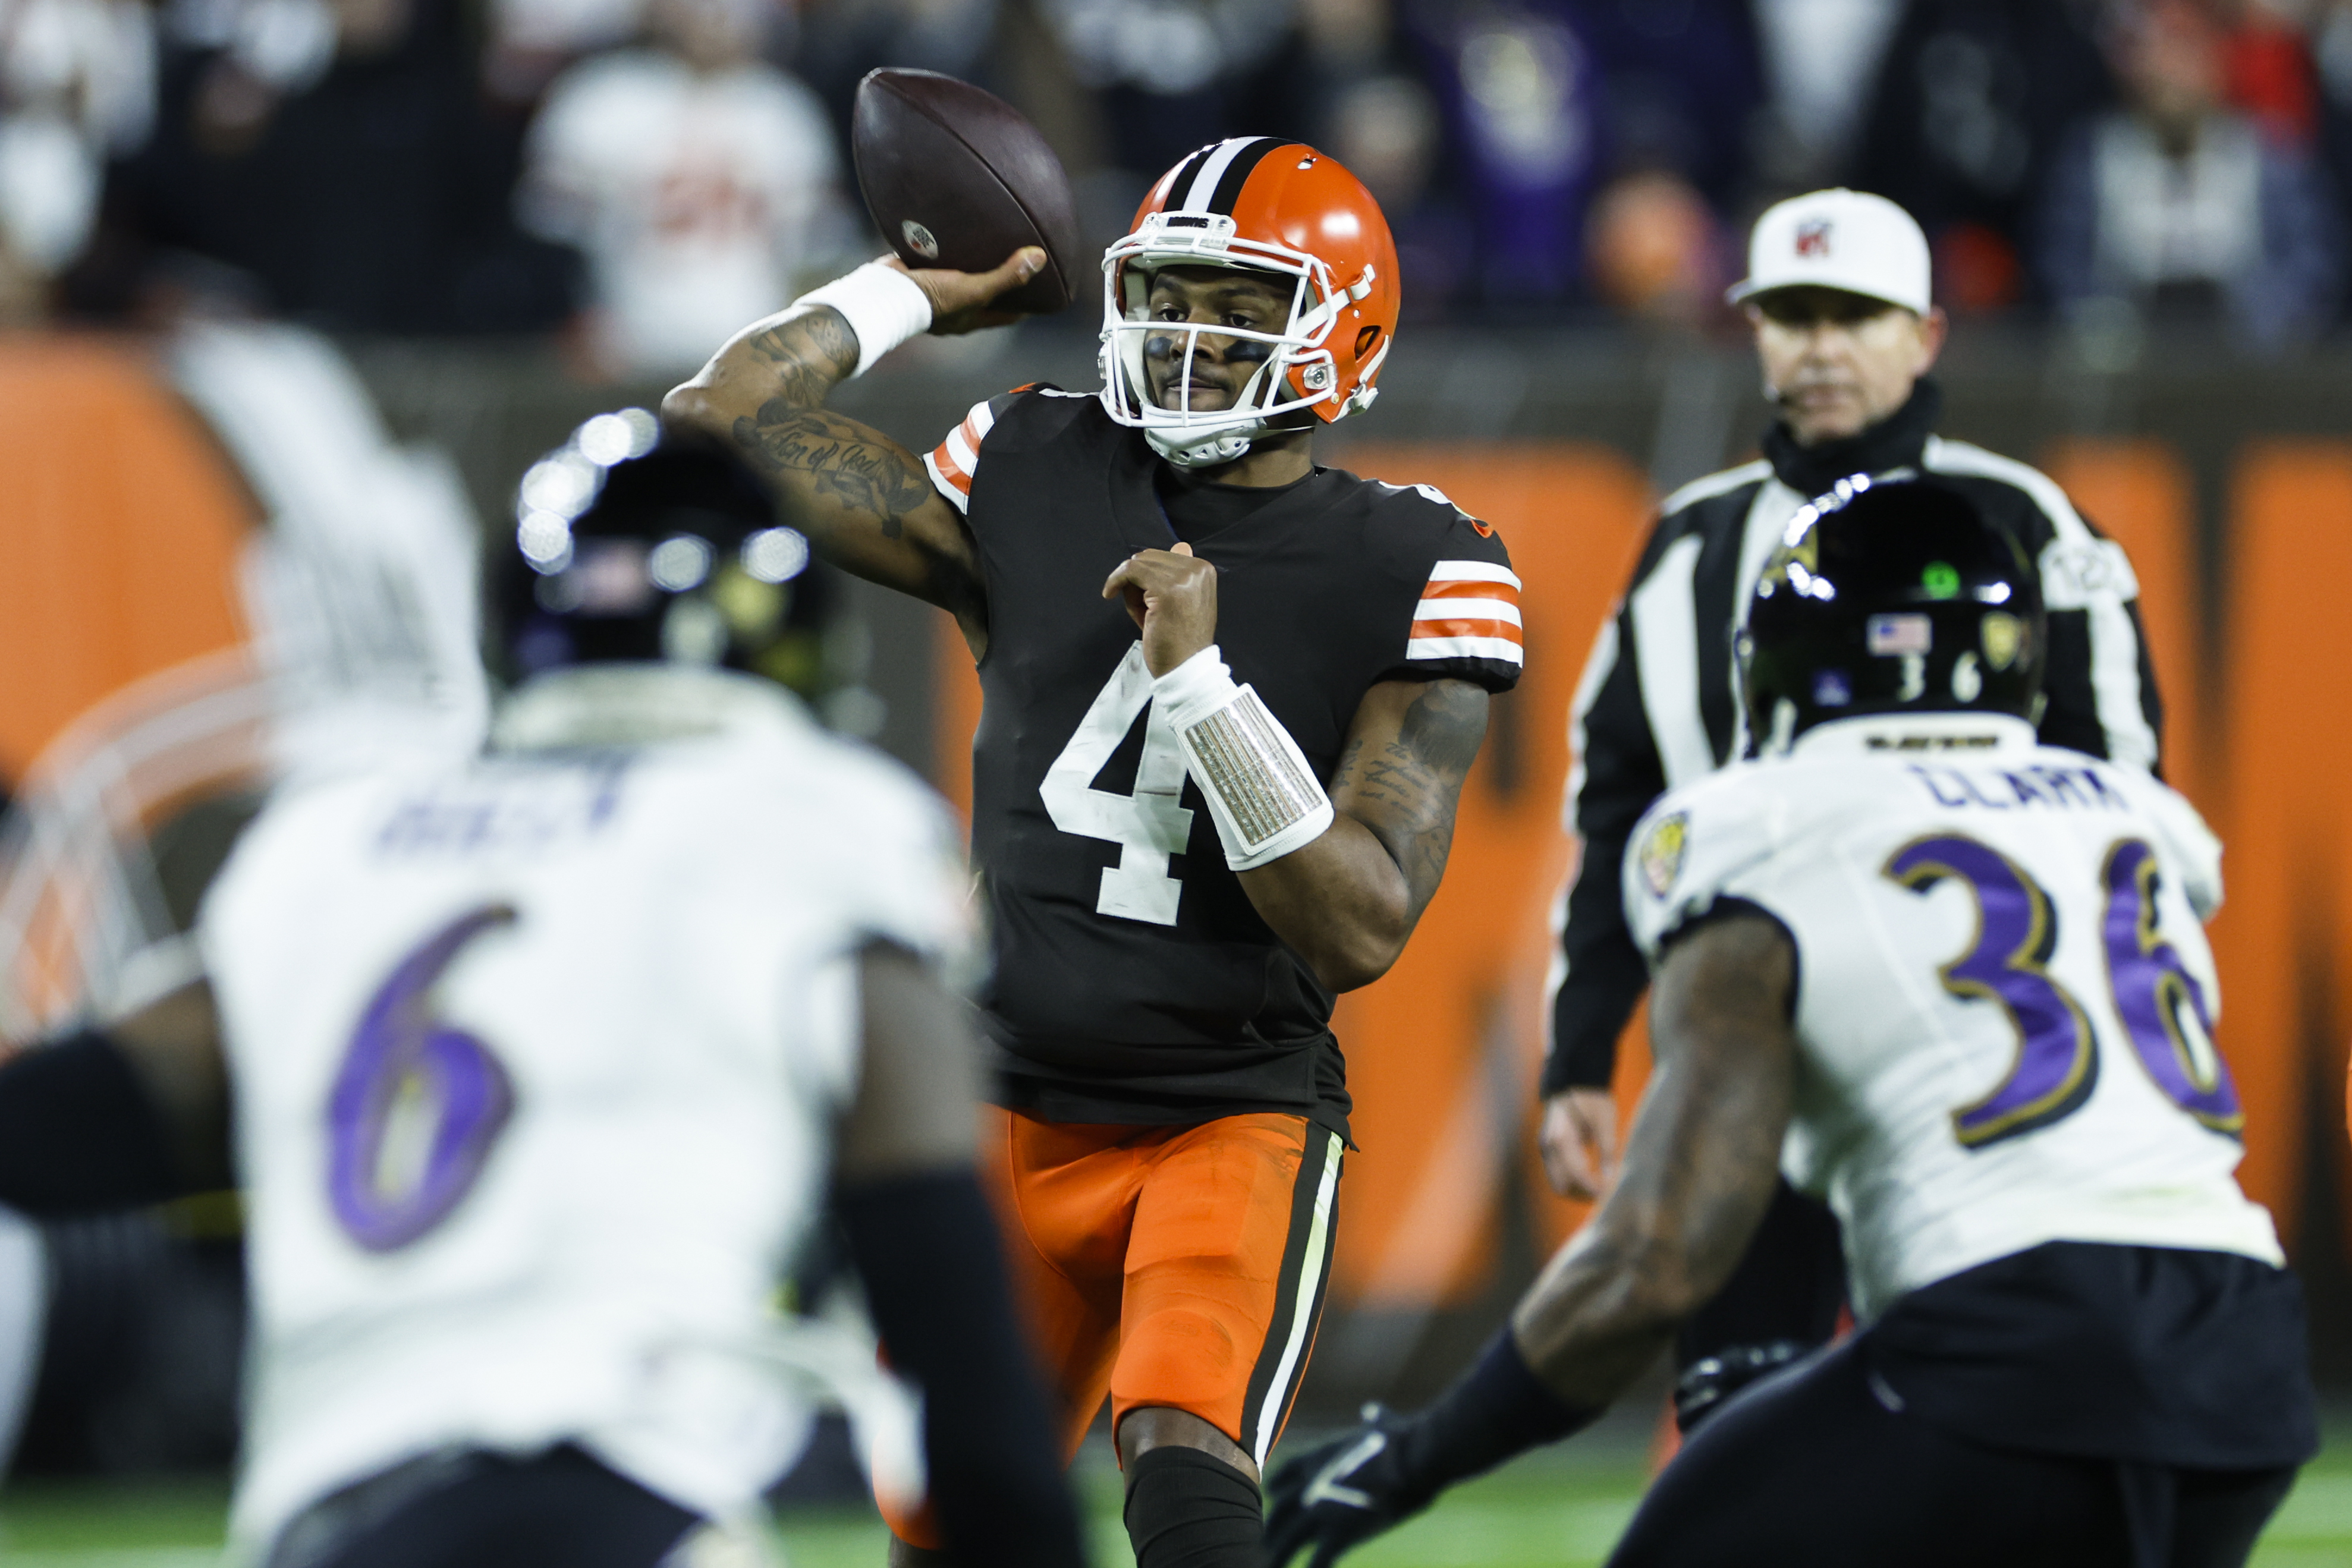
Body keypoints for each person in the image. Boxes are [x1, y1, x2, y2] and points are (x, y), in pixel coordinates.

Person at [0, 434, 1090, 1568]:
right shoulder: (809, 819)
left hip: (336, 1522)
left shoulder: (334, 841)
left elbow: (60, 1122)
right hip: (615, 1495)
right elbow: (941, 1284)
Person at [664, 136, 1522, 1567]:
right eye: (1170, 294)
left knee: (1184, 1451)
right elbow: (719, 420)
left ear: (1344, 328)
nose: (1190, 338)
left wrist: (1202, 693)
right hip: (1000, 1098)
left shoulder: (1417, 561)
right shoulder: (1033, 457)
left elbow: (1360, 925)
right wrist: (909, 290)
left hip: (1225, 1108)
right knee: (944, 1517)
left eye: (1241, 306)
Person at [1267, 474, 2316, 1568]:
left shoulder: (1762, 825)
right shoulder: (2135, 818)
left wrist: (1420, 1452)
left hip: (2013, 1342)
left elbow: (1655, 1257)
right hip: (2241, 1356)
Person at [1539, 185, 2167, 1429]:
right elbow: (1623, 803)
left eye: (1855, 314)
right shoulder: (1685, 546)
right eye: (1792, 314)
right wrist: (1581, 1047)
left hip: (1970, 1059)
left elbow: (2122, 798)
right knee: (1738, 1415)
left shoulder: (2029, 525)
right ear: (1755, 333)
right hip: (1737, 1053)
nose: (1820, 346)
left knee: (1979, 1422)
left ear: (1924, 334)